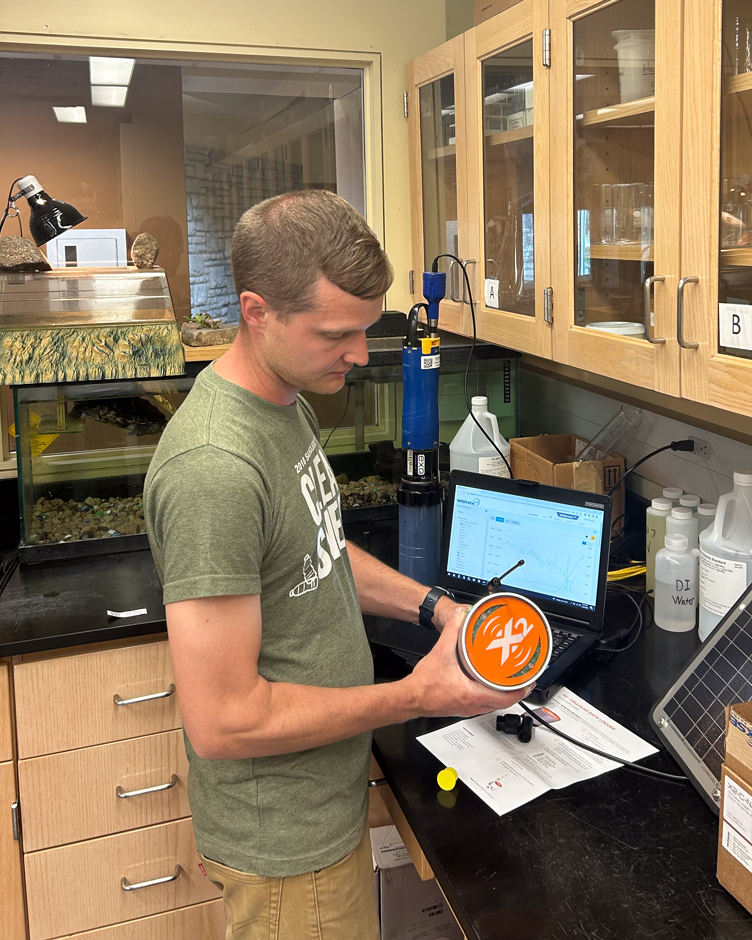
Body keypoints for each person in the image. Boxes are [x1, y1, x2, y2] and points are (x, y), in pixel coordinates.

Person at [144, 190, 528, 940]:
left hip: (323, 802)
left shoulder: (282, 399)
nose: (359, 353)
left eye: (366, 327)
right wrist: (415, 695)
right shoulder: (215, 468)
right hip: (289, 847)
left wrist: (437, 608)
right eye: (336, 333)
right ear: (257, 313)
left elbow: (316, 548)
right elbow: (223, 722)